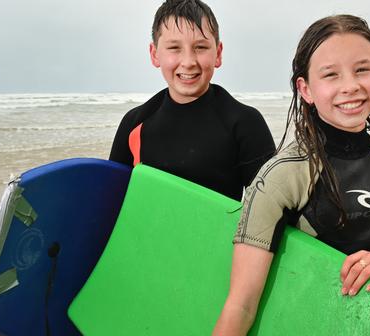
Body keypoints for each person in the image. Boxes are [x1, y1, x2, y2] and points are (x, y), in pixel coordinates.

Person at [204, 14, 370, 336]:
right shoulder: (282, 176)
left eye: (362, 70)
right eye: (331, 74)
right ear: (306, 89)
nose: (350, 86)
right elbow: (241, 305)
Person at [109, 0, 275, 201]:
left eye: (200, 47)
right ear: (154, 55)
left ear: (218, 53)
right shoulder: (135, 123)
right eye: (174, 48)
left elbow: (269, 208)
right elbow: (113, 201)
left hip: (218, 233)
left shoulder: (245, 123)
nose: (188, 62)